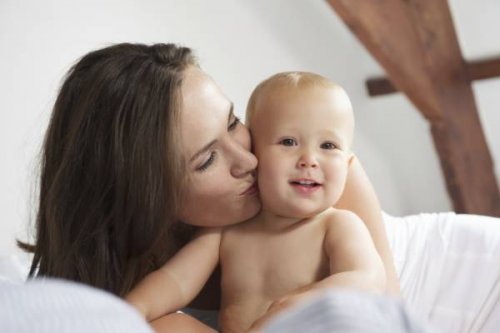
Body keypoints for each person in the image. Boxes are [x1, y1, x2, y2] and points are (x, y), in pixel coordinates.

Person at [20, 43, 399, 332]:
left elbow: (383, 301)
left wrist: (305, 303)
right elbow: (164, 290)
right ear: (147, 199)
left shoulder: (325, 179)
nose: (249, 161)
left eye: (232, 122)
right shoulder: (212, 241)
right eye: (206, 160)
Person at [126, 71, 388, 332]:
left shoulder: (337, 225)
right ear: (255, 154)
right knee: (171, 324)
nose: (309, 159)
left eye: (328, 146)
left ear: (348, 163)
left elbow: (368, 280)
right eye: (288, 142)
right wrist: (133, 309)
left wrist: (296, 305)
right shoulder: (226, 232)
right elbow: (176, 280)